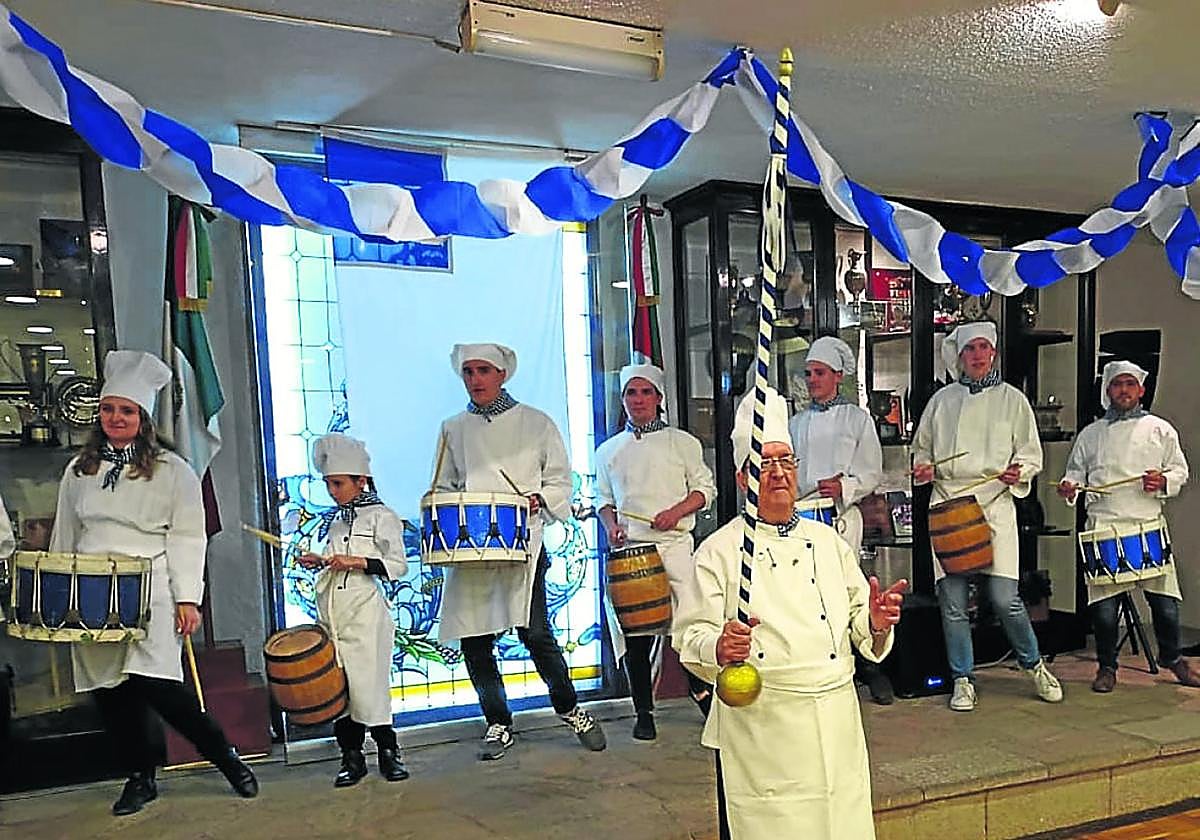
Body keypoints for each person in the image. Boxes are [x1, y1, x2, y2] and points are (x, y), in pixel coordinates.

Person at [675, 387, 906, 839]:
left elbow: (859, 623)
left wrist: (874, 624)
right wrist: (719, 646)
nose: (778, 473)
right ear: (744, 479)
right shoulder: (719, 552)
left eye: (786, 461)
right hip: (766, 725)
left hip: (836, 718)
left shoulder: (827, 543)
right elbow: (689, 637)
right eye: (765, 463)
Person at [49, 350, 257, 815]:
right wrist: (62, 592)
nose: (116, 418)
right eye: (108, 409)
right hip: (92, 590)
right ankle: (139, 778)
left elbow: (187, 535)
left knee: (160, 685)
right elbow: (67, 531)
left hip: (150, 588)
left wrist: (188, 597)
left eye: (127, 410)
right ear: (98, 413)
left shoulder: (171, 470)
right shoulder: (78, 470)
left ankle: (226, 758)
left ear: (142, 418)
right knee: (111, 691)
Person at [433, 343, 606, 760]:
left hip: (522, 545)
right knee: (475, 640)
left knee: (536, 634)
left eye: (483, 371)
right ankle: (497, 721)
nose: (475, 379)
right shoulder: (453, 428)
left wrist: (538, 499)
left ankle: (569, 708)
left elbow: (561, 482)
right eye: (469, 372)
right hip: (472, 551)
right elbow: (442, 486)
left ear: (502, 374)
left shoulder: (536, 423)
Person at [912, 322, 1062, 712]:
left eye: (983, 348)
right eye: (970, 350)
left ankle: (1034, 665)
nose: (977, 355)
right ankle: (962, 677)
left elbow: (1031, 455)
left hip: (995, 503)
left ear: (993, 353)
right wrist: (924, 468)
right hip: (948, 503)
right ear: (959, 357)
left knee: (1004, 598)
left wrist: (1019, 472)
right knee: (954, 601)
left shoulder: (1013, 400)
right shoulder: (941, 401)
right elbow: (921, 449)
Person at [1057, 361, 1199, 690]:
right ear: (1108, 391)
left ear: (1141, 390)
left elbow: (1180, 471)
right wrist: (1069, 486)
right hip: (1104, 525)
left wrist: (1163, 480)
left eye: (1130, 384)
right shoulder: (1090, 435)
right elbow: (1075, 474)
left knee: (1165, 606)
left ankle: (1174, 659)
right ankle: (1107, 667)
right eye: (1118, 384)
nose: (1124, 390)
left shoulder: (1161, 429)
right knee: (1105, 613)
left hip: (1146, 524)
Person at [595, 363, 717, 739]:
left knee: (689, 625)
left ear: (659, 398)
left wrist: (675, 513)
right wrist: (612, 527)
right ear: (623, 399)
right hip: (632, 552)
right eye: (631, 393)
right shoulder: (608, 450)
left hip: (676, 547)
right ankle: (643, 712)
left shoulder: (683, 443)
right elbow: (603, 500)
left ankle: (706, 701)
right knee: (635, 635)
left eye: (646, 392)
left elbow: (703, 490)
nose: (638, 400)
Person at [297, 433, 410, 786]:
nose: (333, 491)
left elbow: (398, 565)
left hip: (365, 614)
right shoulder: (336, 520)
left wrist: (357, 561)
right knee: (340, 689)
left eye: (338, 484)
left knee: (370, 687)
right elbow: (336, 560)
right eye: (329, 484)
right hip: (333, 612)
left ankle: (389, 753)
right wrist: (321, 561)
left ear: (361, 481)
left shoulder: (381, 516)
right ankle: (351, 756)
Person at [788, 336, 892, 704]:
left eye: (819, 373)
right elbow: (788, 471)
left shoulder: (857, 419)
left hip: (843, 518)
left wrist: (844, 485)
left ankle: (869, 668)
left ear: (838, 376)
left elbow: (872, 472)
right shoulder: (796, 424)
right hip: (802, 517)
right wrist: (806, 487)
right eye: (809, 373)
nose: (812, 380)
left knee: (846, 591)